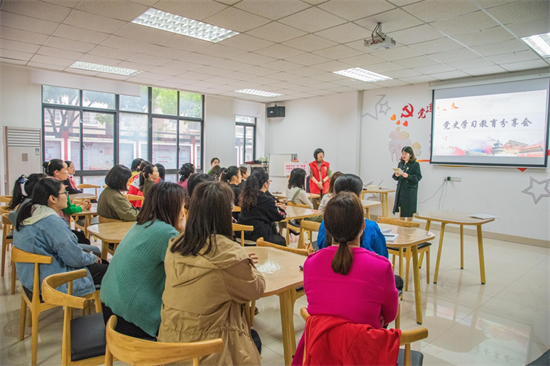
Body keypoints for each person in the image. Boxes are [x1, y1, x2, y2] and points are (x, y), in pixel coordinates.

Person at [158, 181, 265, 365]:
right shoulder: (227, 256)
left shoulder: (176, 246)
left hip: (169, 346)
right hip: (205, 352)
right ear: (225, 213)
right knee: (253, 339)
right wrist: (246, 263)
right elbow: (256, 289)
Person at [293, 192, 398, 366]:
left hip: (321, 355)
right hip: (364, 355)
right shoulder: (381, 267)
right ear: (363, 225)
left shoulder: (311, 264)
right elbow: (389, 316)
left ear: (326, 228)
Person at [101, 182, 186, 340]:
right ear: (172, 207)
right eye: (182, 206)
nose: (183, 212)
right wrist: (182, 230)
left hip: (110, 308)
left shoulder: (142, 224)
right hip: (131, 319)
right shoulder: (166, 233)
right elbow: (187, 272)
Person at [13, 179, 108, 297]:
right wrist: (92, 257)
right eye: (64, 193)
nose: (67, 197)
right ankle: (109, 308)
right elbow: (75, 258)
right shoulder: (51, 221)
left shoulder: (31, 212)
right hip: (52, 281)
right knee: (108, 270)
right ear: (52, 199)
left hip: (32, 278)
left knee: (96, 260)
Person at [317, 174, 387, 258]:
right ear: (360, 196)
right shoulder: (370, 227)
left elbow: (322, 249)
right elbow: (383, 256)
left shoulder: (325, 224)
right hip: (366, 269)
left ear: (334, 194)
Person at [238, 169, 287, 246]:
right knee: (281, 240)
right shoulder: (266, 199)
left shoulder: (246, 196)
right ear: (265, 184)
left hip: (242, 234)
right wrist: (280, 208)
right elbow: (280, 216)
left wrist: (274, 206)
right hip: (257, 236)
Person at [392, 146, 422, 221]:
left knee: (409, 211)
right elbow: (395, 177)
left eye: (405, 154)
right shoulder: (401, 164)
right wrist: (396, 175)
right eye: (402, 154)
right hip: (401, 190)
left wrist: (408, 176)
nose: (404, 156)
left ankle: (409, 227)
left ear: (410, 154)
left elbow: (418, 177)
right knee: (401, 209)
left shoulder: (415, 164)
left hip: (410, 191)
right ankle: (401, 226)